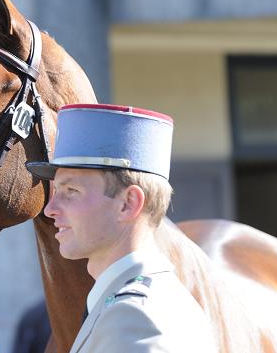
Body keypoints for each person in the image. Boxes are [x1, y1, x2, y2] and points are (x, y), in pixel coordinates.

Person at [26, 104, 217, 353]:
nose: (50, 209)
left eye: (71, 191)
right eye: (56, 191)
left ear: (128, 204)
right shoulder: (139, 303)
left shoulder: (136, 317)